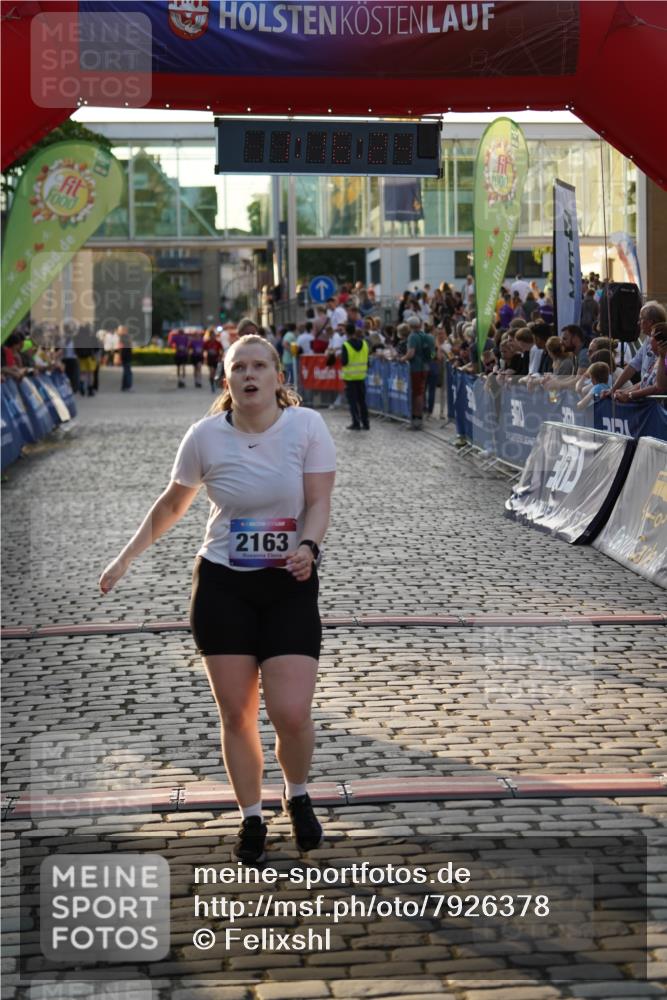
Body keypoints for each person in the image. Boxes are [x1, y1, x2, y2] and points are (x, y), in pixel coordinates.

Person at [99, 334, 336, 865]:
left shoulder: (307, 427)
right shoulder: (205, 436)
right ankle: (251, 815)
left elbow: (319, 502)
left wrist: (308, 546)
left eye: (259, 366)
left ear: (279, 375)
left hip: (289, 583)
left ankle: (297, 794)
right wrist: (125, 558)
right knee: (238, 714)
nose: (249, 376)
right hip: (223, 584)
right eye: (238, 368)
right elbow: (172, 505)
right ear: (225, 379)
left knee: (291, 712)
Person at [404, 314, 435, 430]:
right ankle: (419, 416)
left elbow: (411, 353)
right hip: (425, 367)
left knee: (416, 393)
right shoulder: (426, 336)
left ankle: (416, 417)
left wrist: (402, 359)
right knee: (420, 392)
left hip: (415, 368)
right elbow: (432, 353)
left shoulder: (413, 336)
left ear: (410, 326)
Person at [340, 320, 370, 431]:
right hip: (361, 377)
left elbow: (344, 361)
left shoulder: (346, 345)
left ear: (347, 333)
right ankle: (366, 423)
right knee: (362, 402)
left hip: (350, 378)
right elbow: (367, 360)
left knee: (353, 402)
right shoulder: (365, 344)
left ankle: (356, 423)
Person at [117, 325, 133, 392]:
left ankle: (124, 387)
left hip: (126, 356)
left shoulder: (123, 337)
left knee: (126, 372)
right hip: (125, 357)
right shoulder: (123, 338)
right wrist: (120, 358)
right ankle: (127, 387)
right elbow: (121, 349)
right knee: (128, 372)